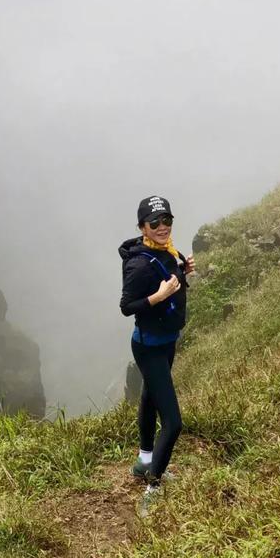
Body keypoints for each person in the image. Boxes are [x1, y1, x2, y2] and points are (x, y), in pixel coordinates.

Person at [118, 195, 196, 517]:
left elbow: (172, 278)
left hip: (166, 342)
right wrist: (156, 296)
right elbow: (126, 306)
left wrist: (184, 271)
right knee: (174, 422)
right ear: (142, 227)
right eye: (155, 223)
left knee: (150, 398)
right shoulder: (138, 264)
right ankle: (153, 486)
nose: (162, 227)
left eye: (167, 220)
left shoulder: (167, 251)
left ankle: (144, 461)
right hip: (149, 346)